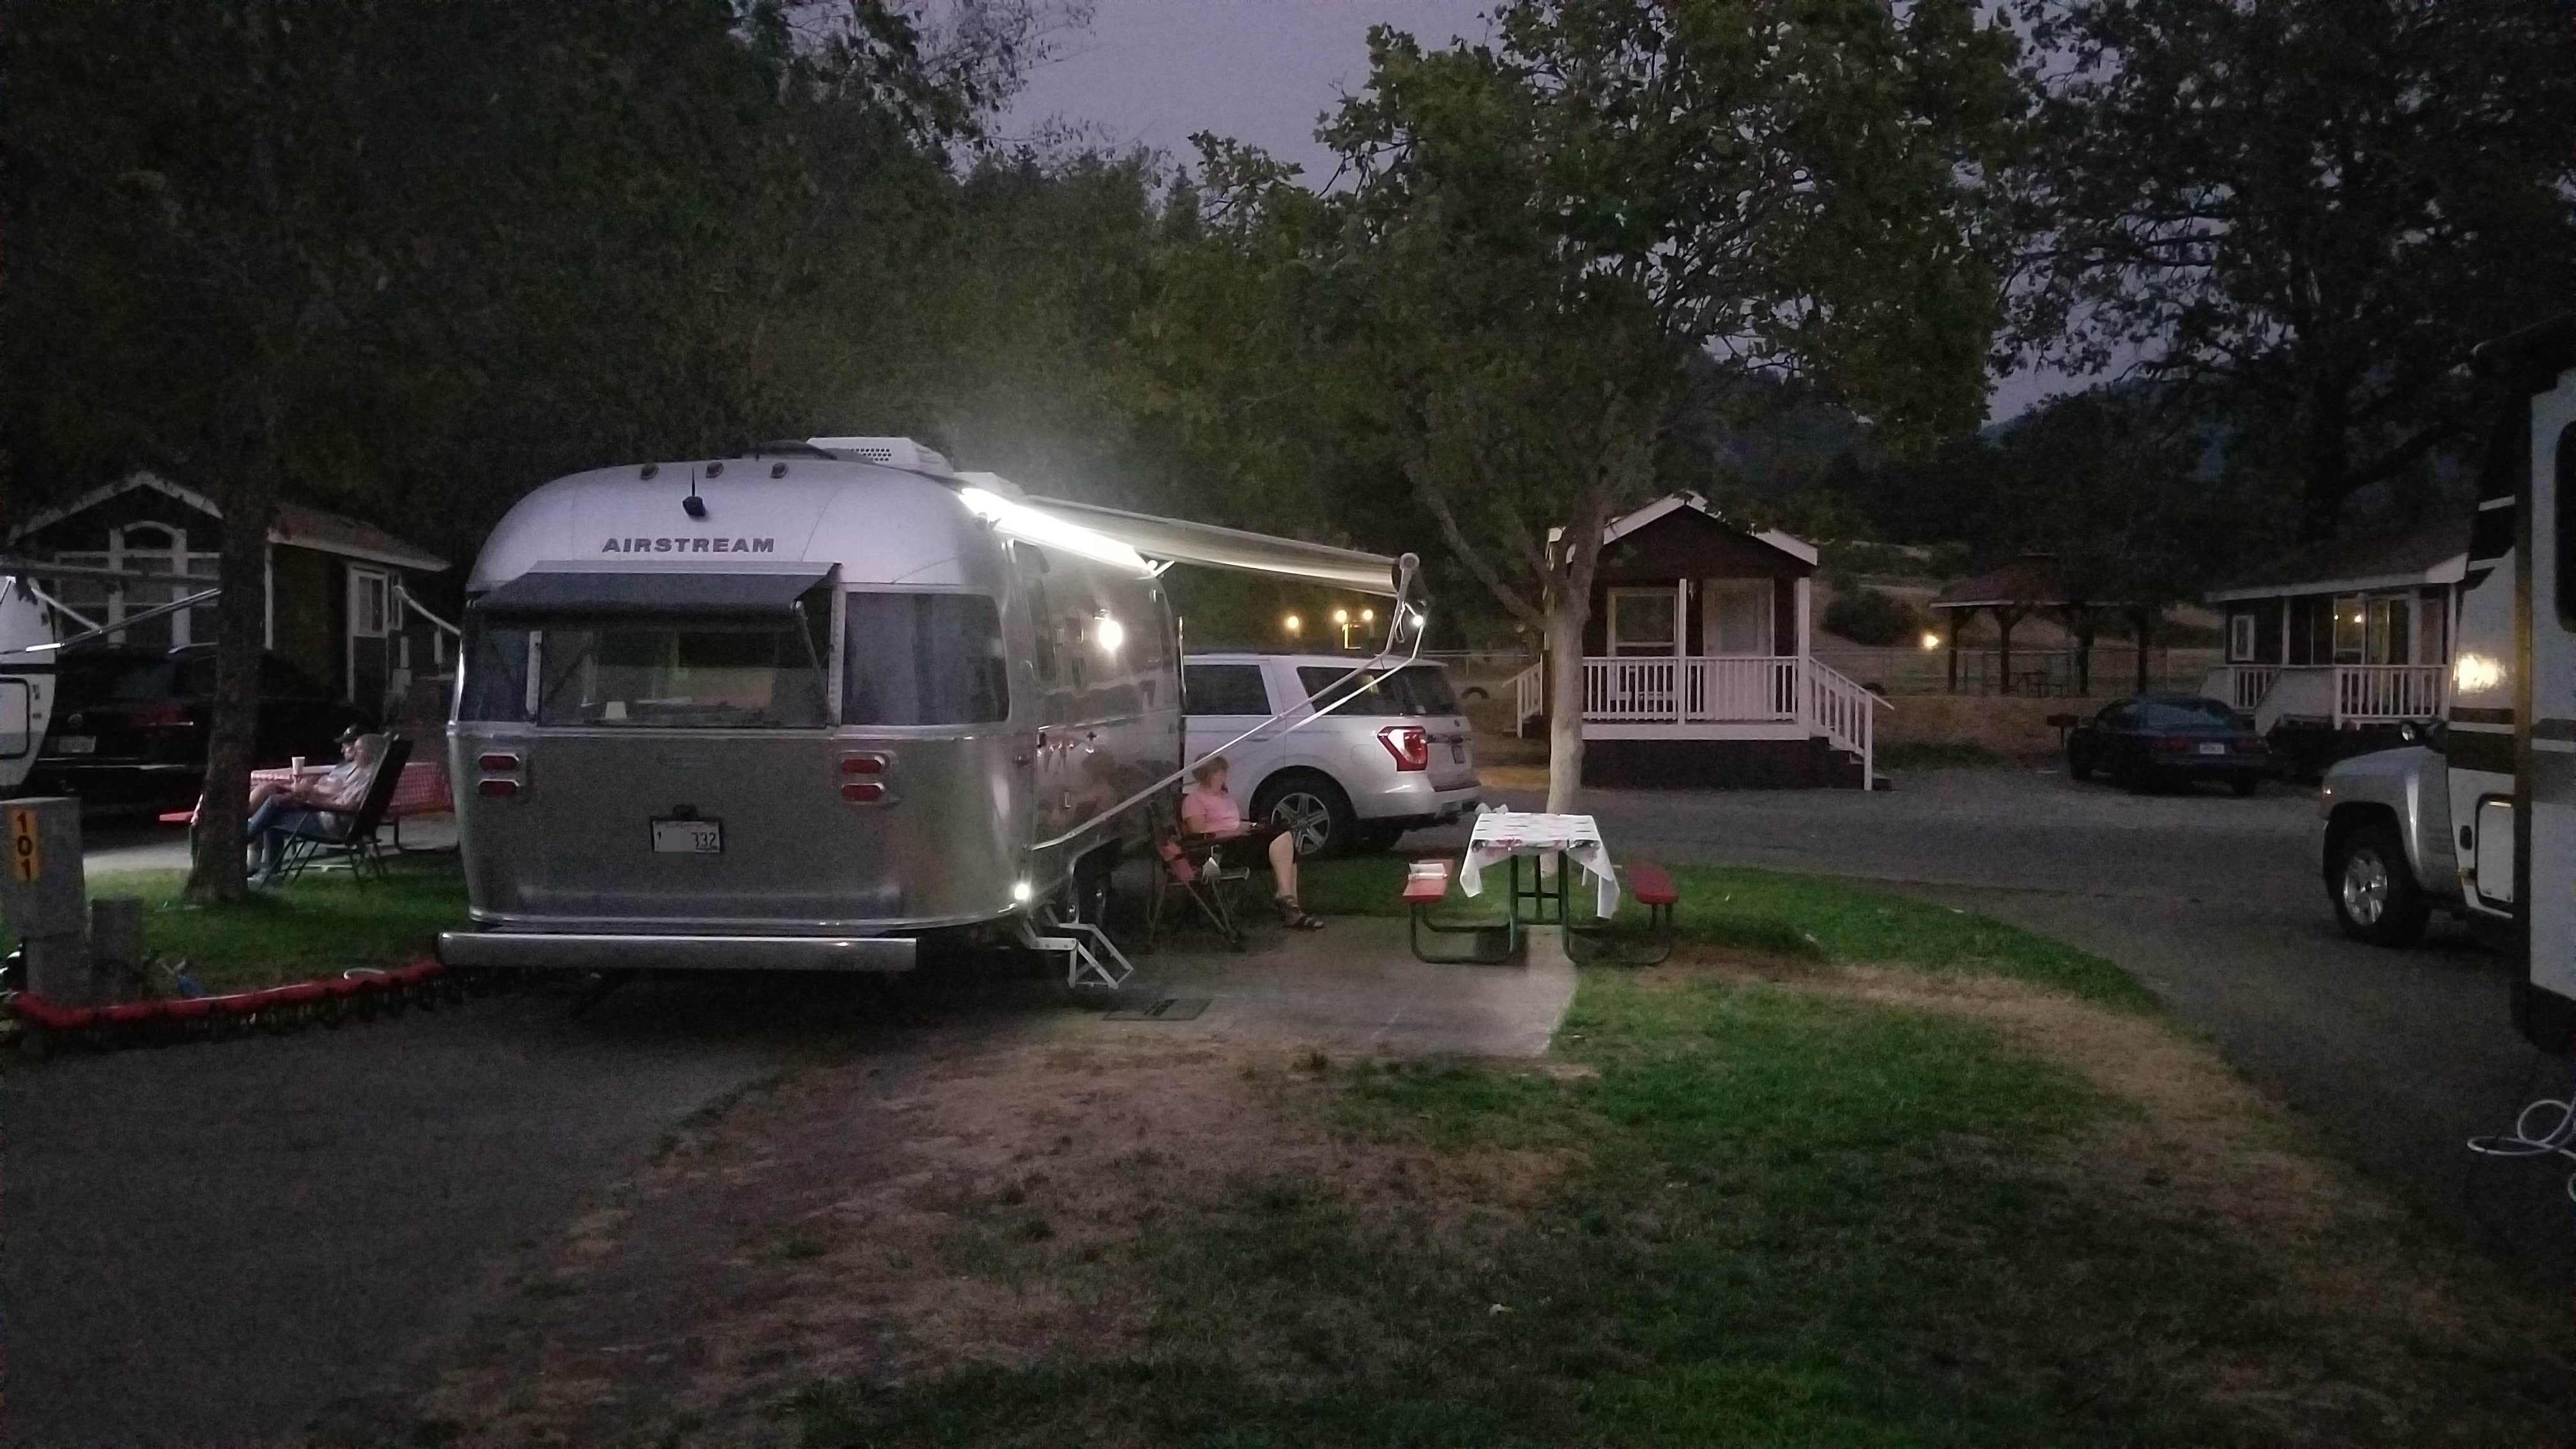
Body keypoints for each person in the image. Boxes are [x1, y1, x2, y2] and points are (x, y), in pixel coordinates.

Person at [1179, 755, 1323, 930]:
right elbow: (1199, 833)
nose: (1223, 777)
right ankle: (1289, 904)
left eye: (1224, 772)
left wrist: (1250, 826)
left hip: (1239, 841)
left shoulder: (1224, 797)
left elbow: (1231, 822)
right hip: (1219, 851)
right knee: (1280, 838)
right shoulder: (1194, 800)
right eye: (1219, 773)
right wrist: (1235, 829)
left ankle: (1289, 902)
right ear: (1206, 775)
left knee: (1283, 836)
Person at [244, 728, 385, 885]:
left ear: (372, 753)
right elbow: (343, 800)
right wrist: (312, 797)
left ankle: (251, 849)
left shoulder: (364, 778)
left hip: (332, 823)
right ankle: (256, 853)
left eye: (359, 749)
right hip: (340, 820)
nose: (356, 754)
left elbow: (348, 806)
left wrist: (314, 801)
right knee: (275, 801)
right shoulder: (370, 775)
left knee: (273, 812)